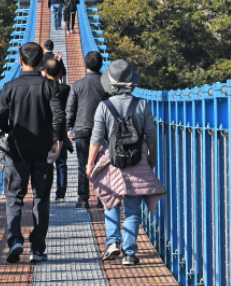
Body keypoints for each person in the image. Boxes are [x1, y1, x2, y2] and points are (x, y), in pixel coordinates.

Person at [87, 60, 165, 265]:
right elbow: (150, 134)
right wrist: (152, 156)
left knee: (110, 202)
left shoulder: (104, 106)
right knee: (132, 210)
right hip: (137, 161)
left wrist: (89, 163)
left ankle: (112, 243)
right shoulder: (142, 104)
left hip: (112, 160)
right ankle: (129, 253)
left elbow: (96, 139)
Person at [0, 42, 65, 264]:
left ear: (20, 61)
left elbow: (0, 117)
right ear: (42, 63)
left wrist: (8, 131)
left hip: (16, 151)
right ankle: (37, 248)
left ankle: (15, 239)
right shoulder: (50, 86)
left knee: (14, 197)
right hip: (43, 151)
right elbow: (59, 116)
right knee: (41, 199)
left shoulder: (9, 86)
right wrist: (58, 142)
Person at [66, 51, 107, 208]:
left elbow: (70, 109)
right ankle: (101, 199)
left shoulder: (77, 85)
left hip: (82, 129)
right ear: (102, 65)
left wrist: (70, 128)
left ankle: (83, 199)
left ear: (85, 66)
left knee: (83, 164)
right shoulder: (107, 85)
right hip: (103, 130)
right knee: (102, 164)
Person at [42, 58, 72, 201]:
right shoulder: (66, 89)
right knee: (61, 164)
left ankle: (44, 193)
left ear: (45, 72)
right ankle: (61, 194)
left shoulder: (41, 88)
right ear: (60, 72)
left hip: (44, 130)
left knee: (45, 164)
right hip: (61, 130)